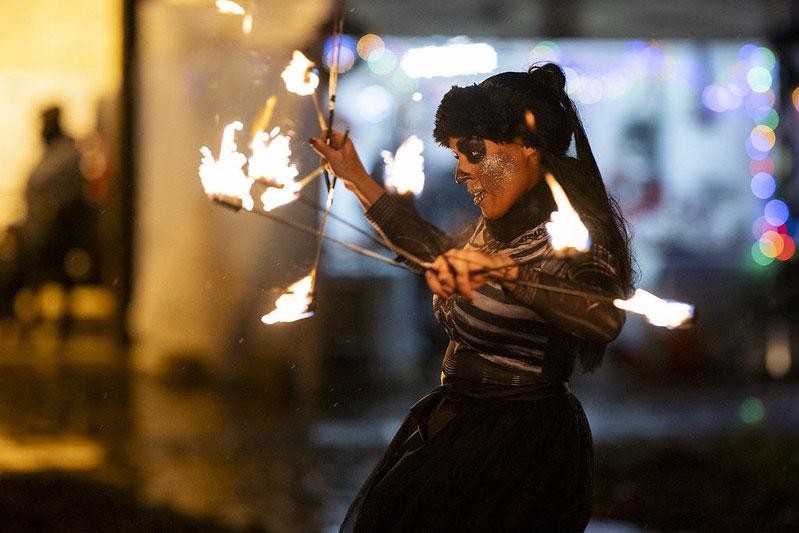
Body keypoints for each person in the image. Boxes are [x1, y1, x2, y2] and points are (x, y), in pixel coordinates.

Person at [311, 63, 634, 532]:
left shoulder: (573, 234)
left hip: (520, 449)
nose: (462, 171)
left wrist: (507, 273)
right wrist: (357, 177)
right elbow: (431, 250)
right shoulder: (495, 226)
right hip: (460, 425)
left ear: (528, 148)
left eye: (475, 152)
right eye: (459, 155)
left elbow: (605, 318)